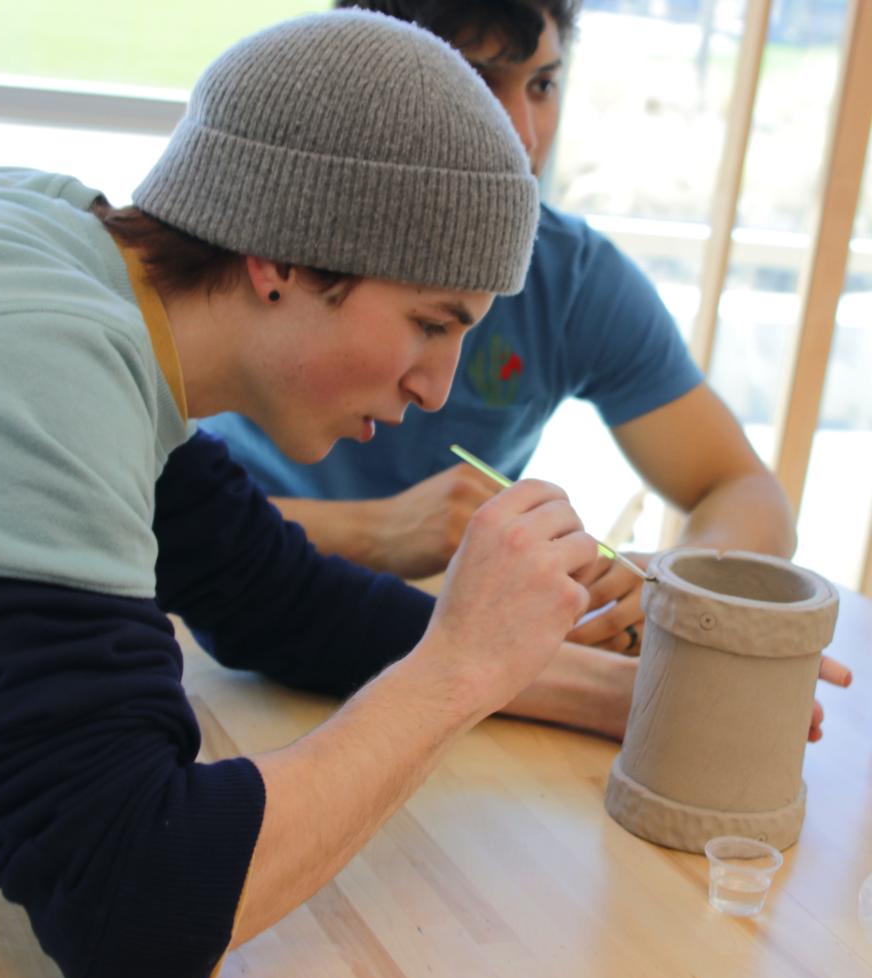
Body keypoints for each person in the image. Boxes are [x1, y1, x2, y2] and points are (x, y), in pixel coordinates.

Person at [0, 10, 635, 978]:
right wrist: (456, 673)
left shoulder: (54, 247)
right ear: (282, 257)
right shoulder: (23, 370)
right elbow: (135, 907)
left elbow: (273, 600)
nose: (437, 386)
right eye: (430, 322)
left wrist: (620, 690)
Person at [203, 0, 798, 658]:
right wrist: (372, 531)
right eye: (477, 80)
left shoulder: (572, 279)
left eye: (542, 85)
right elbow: (143, 515)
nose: (522, 134)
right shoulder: (247, 233)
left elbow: (746, 490)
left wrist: (672, 580)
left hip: (417, 643)